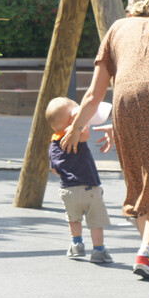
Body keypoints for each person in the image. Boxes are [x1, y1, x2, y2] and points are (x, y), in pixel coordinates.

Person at [61, 0, 149, 279]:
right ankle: (148, 252)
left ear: (129, 7)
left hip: (128, 97)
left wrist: (76, 127)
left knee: (141, 176)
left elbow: (95, 95)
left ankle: (147, 251)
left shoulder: (117, 28)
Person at [46, 96, 113, 264]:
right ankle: (98, 250)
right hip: (89, 187)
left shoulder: (54, 143)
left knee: (74, 219)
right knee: (95, 221)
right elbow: (85, 133)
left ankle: (76, 245)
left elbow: (54, 169)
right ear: (73, 121)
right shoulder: (77, 134)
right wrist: (80, 122)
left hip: (68, 190)